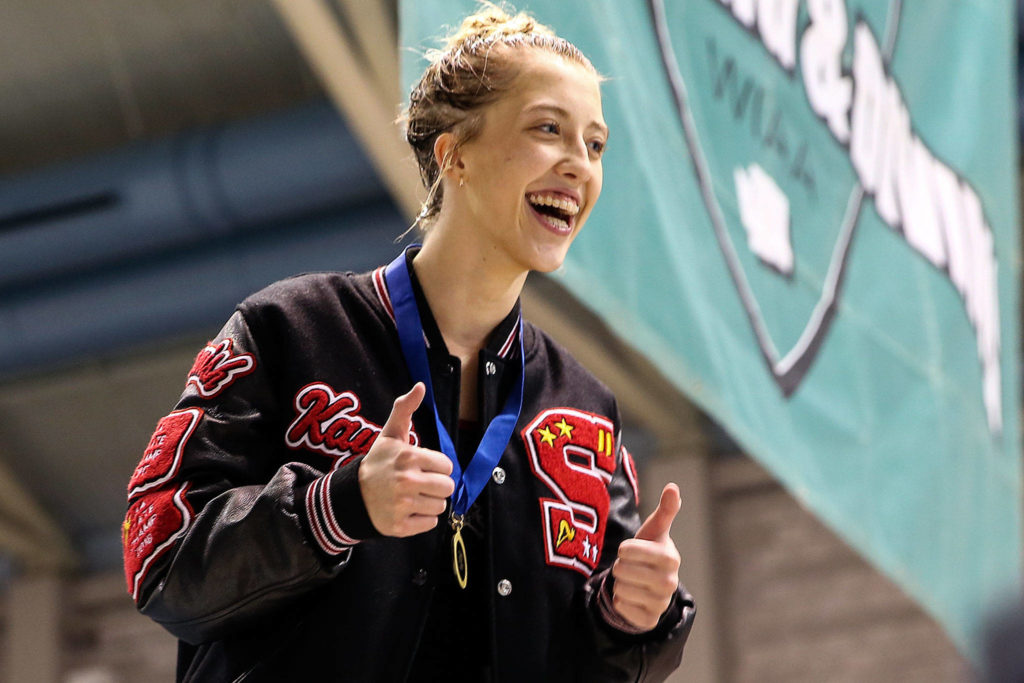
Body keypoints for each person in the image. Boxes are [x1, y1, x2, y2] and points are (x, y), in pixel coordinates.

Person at [122, 4, 695, 681]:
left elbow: (594, 659)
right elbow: (158, 553)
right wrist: (337, 506)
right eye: (549, 129)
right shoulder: (290, 329)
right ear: (454, 155)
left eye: (595, 145)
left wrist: (633, 617)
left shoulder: (587, 409)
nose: (579, 166)